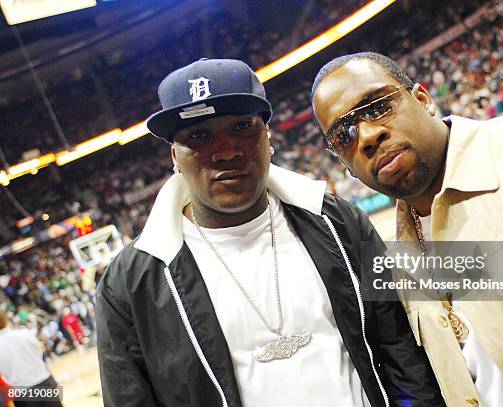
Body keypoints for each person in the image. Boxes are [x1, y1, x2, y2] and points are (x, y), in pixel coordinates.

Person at [95, 58, 443, 407]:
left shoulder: (336, 221)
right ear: (175, 155)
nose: (227, 150)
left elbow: (398, 348)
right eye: (199, 136)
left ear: (267, 136)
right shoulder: (130, 283)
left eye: (242, 126)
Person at [310, 52, 503, 406]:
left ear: (423, 99)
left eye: (376, 107)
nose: (367, 136)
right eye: (343, 135)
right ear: (345, 166)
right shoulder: (400, 265)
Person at [0, 310, 63, 407]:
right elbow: (40, 354)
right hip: (43, 381)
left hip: (21, 392)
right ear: (5, 319)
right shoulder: (25, 333)